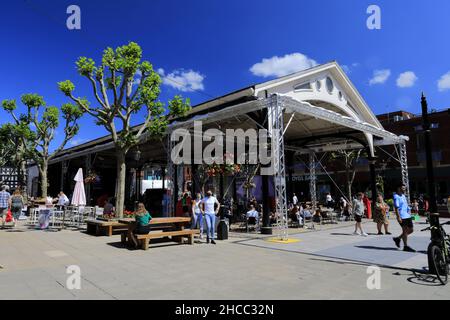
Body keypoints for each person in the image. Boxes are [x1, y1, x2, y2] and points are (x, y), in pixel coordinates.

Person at [393, 185, 415, 252]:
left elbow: (406, 205)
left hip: (407, 215)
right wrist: (398, 217)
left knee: (411, 230)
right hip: (402, 216)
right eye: (403, 188)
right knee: (405, 231)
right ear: (398, 188)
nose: (404, 189)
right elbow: (396, 208)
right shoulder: (396, 196)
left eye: (405, 188)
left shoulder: (403, 196)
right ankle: (405, 246)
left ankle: (398, 238)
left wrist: (410, 209)